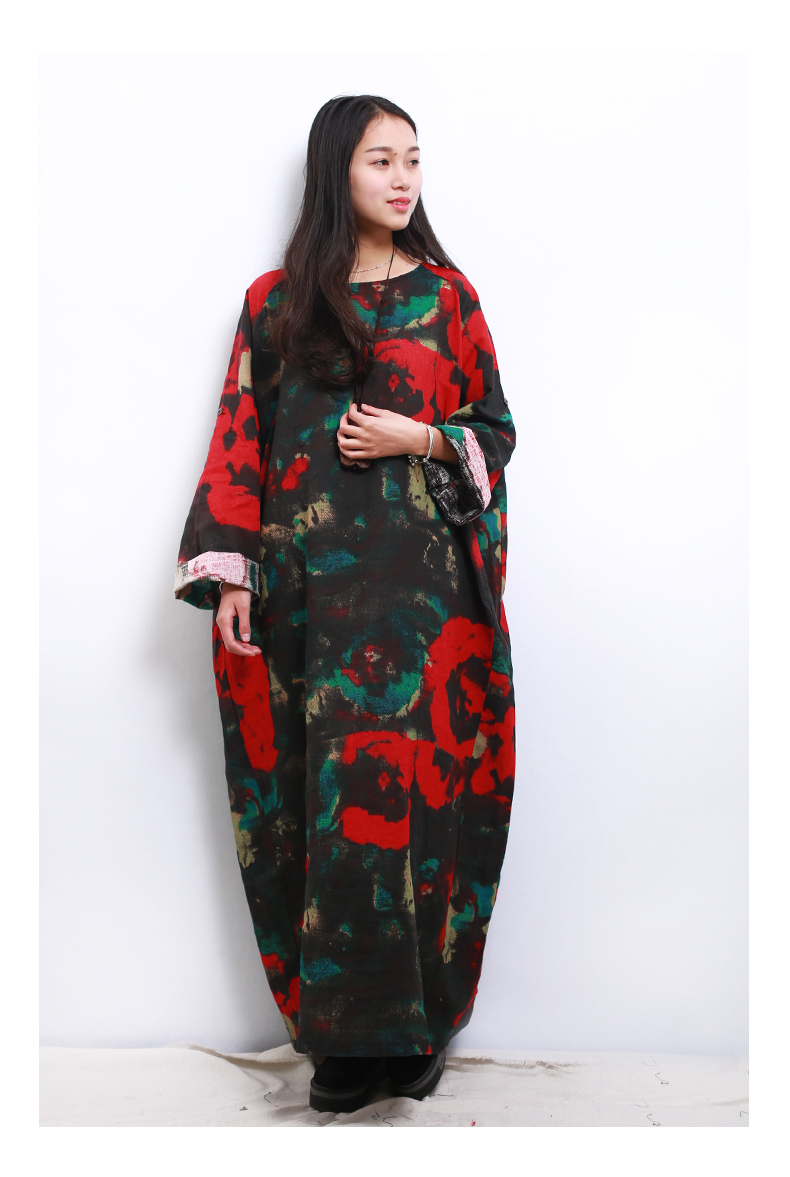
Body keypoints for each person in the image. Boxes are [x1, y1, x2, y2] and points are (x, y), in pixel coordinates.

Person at [174, 94, 516, 1114]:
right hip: (306, 604)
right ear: (338, 171)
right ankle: (338, 1037)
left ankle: (415, 1030)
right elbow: (240, 435)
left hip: (424, 611)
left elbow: (495, 431)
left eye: (413, 159)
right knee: (319, 804)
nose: (403, 178)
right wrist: (231, 575)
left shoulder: (448, 299)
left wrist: (419, 437)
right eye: (380, 160)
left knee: (416, 806)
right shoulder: (277, 302)